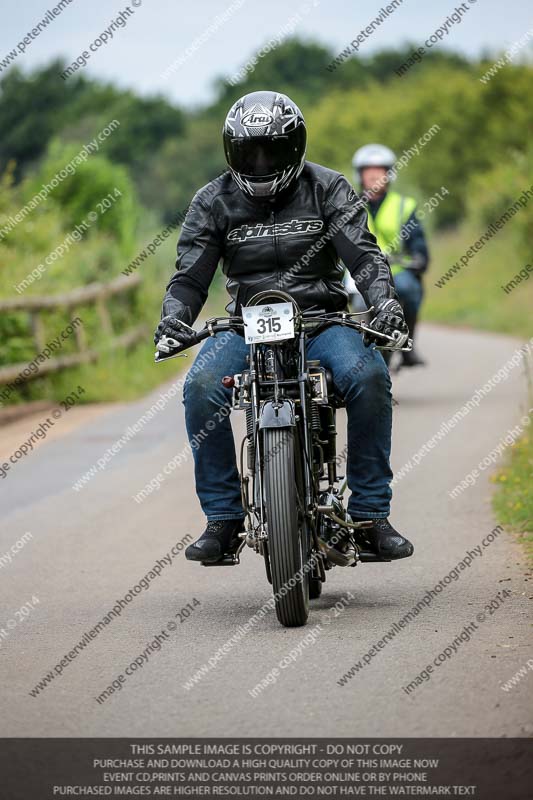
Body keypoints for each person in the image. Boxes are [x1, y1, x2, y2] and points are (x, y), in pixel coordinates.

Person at [154, 91, 414, 565]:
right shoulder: (212, 201)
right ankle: (223, 519)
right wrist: (174, 317)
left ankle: (372, 516)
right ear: (230, 151)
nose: (259, 163)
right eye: (247, 152)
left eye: (270, 151)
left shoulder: (329, 188)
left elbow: (366, 257)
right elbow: (190, 277)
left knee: (370, 375)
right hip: (245, 325)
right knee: (201, 384)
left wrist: (385, 303)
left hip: (323, 320)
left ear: (295, 147)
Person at [351, 143, 429, 367]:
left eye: (380, 170)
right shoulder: (346, 205)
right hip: (357, 273)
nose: (375, 175)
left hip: (395, 271)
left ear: (389, 175)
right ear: (360, 175)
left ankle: (406, 345)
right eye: (369, 171)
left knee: (409, 289)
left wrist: (419, 257)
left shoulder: (403, 205)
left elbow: (418, 242)